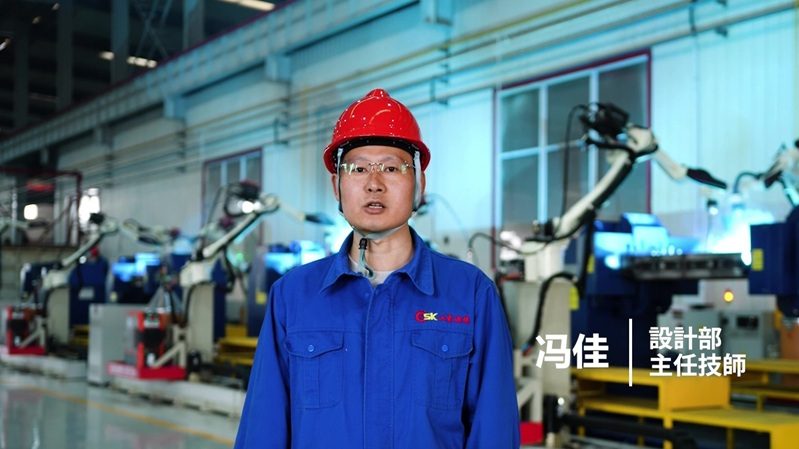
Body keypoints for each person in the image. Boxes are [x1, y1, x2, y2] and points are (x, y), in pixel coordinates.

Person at [233, 89, 519, 449]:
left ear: (419, 184)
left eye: (392, 167)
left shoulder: (470, 294)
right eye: (358, 168)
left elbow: (494, 430)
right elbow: (263, 428)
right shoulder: (293, 297)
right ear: (336, 185)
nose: (374, 183)